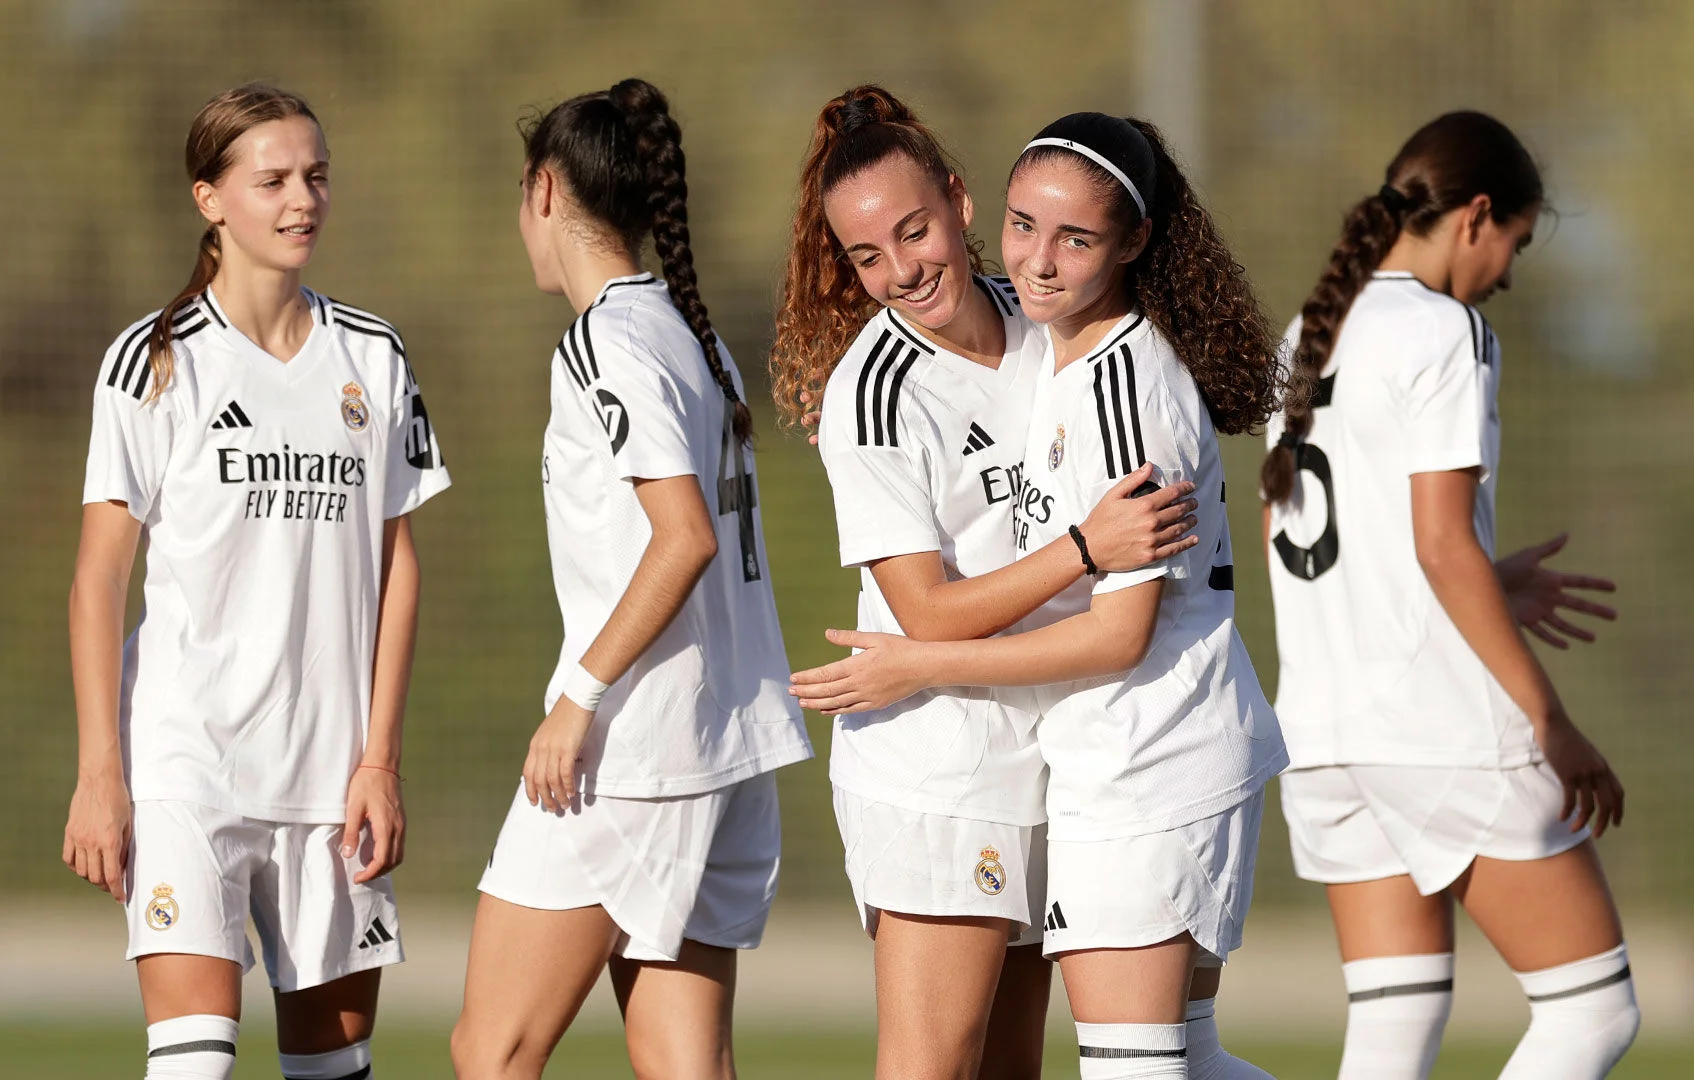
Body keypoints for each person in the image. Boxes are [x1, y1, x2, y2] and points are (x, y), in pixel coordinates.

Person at [793, 111, 1289, 1080]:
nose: (900, 269)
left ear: (957, 202)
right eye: (864, 255)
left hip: (1112, 756)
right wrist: (1076, 549)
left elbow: (1116, 622)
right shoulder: (882, 388)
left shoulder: (1061, 337)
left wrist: (929, 651)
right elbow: (931, 606)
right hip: (948, 767)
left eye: (914, 231)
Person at [62, 83, 449, 1080]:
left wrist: (380, 762)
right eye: (271, 179)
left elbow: (397, 563)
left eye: (315, 177)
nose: (302, 200)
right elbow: (100, 578)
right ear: (210, 199)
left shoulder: (374, 352)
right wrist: (103, 774)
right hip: (188, 765)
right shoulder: (153, 362)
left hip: (332, 780)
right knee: (193, 1063)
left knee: (331, 1073)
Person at [1259, 111, 1638, 1080]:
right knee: (1591, 1014)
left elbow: (1307, 543)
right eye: (1513, 240)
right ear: (1476, 216)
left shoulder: (1310, 332)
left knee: (1393, 1030)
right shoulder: (1444, 330)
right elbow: (1438, 546)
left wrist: (1487, 576)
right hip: (1436, 731)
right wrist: (1549, 721)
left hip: (1324, 737)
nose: (1506, 273)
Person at [450, 79, 812, 1080]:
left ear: (544, 190)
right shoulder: (690, 336)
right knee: (680, 1060)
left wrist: (578, 698)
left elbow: (682, 537)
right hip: (726, 750)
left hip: (633, 755)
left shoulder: (608, 341)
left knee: (492, 1050)